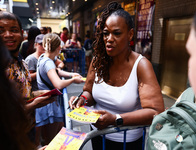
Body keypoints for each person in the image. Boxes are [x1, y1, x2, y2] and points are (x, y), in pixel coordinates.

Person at [69, 2, 164, 150]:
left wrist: (116, 119)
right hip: (97, 136)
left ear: (130, 34)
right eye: (106, 33)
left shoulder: (141, 65)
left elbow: (155, 112)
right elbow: (89, 91)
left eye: (117, 33)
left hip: (127, 142)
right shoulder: (97, 60)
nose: (109, 39)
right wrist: (82, 99)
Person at [0, 11, 56, 146]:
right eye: (1, 31)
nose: (8, 35)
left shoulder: (22, 62)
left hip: (28, 129)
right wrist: (35, 104)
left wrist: (38, 95)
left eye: (13, 30)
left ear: (22, 33)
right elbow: (6, 114)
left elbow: (23, 95)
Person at [36, 33, 85, 145]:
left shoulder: (43, 58)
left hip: (48, 103)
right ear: (58, 47)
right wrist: (73, 80)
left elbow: (57, 72)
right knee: (52, 141)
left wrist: (72, 75)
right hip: (49, 106)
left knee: (57, 135)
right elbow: (58, 84)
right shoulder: (48, 62)